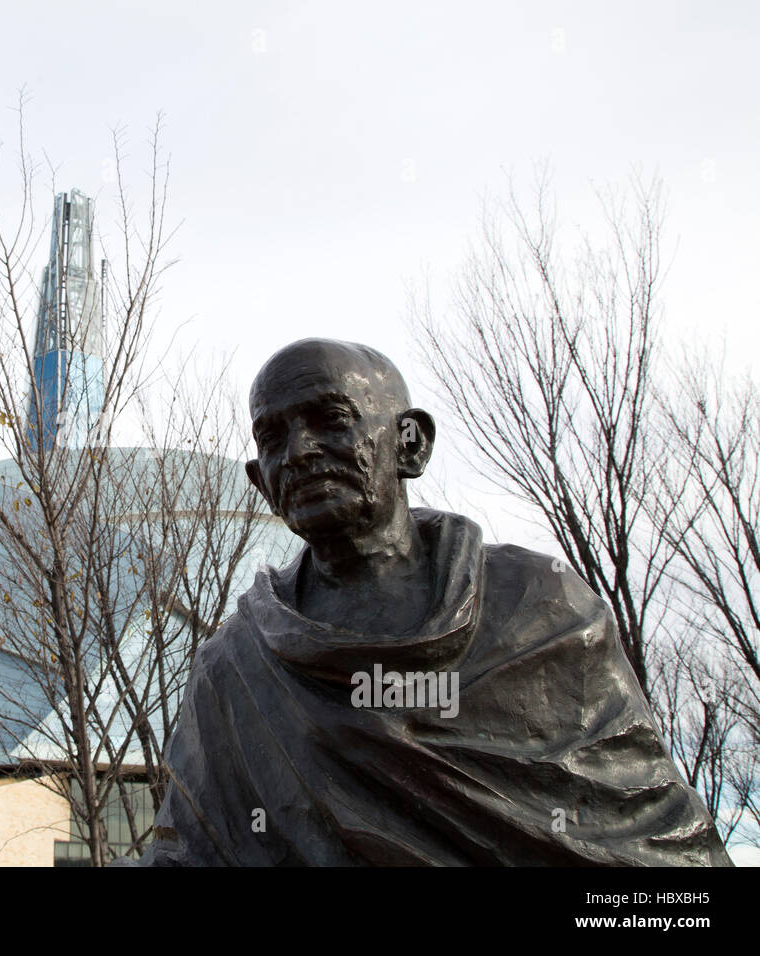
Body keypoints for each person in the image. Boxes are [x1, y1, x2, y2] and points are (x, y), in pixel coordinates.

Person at [133, 338, 731, 866]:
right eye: (273, 437)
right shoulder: (232, 667)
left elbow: (662, 854)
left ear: (410, 445)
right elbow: (183, 857)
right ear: (260, 483)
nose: (299, 452)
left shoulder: (540, 610)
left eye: (330, 420)